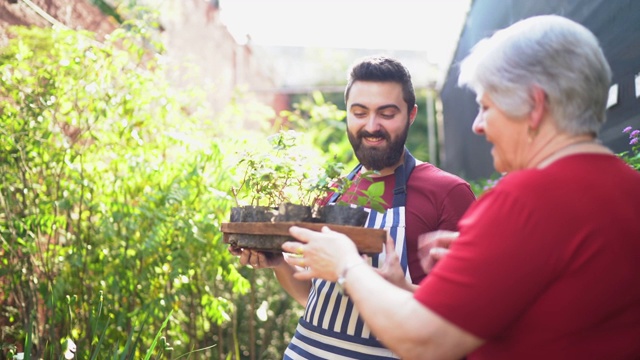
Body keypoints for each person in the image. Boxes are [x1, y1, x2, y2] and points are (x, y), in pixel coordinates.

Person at [282, 15, 640, 360]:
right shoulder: (630, 188)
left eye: (486, 106)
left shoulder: (523, 202)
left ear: (535, 106)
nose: (478, 126)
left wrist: (347, 265)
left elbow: (424, 342)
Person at [231, 56, 476, 358]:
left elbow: (466, 312)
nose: (372, 126)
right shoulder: (333, 191)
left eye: (387, 114)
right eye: (359, 113)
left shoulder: (447, 193)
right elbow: (315, 296)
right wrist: (279, 262)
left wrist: (397, 287)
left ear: (411, 114)